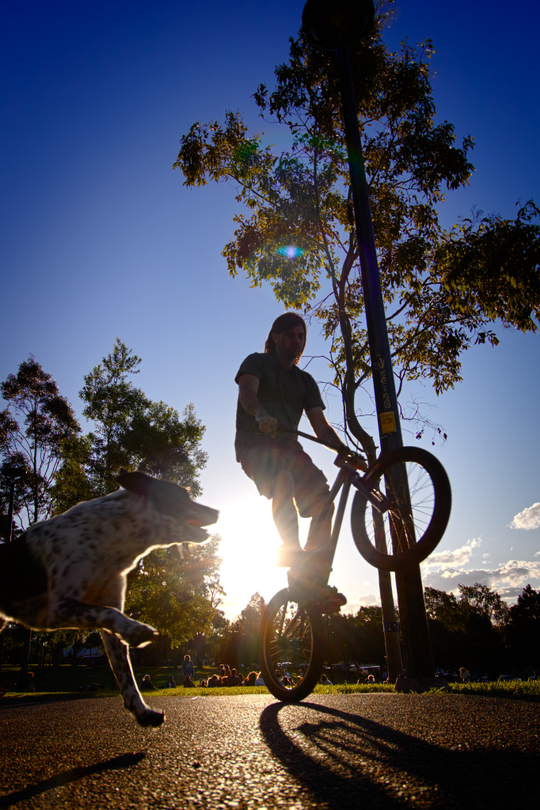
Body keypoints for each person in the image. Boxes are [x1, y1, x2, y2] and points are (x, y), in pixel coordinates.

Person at [235, 312, 358, 604]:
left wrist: (344, 451)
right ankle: (292, 551)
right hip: (256, 443)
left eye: (302, 336)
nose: (297, 341)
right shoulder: (257, 361)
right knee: (283, 479)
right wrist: (262, 414)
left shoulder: (305, 381)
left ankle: (310, 576)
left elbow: (321, 427)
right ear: (275, 337)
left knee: (324, 503)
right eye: (291, 335)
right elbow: (247, 393)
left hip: (290, 448)